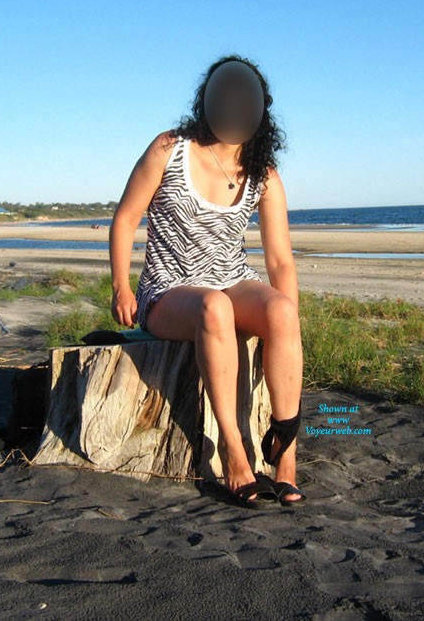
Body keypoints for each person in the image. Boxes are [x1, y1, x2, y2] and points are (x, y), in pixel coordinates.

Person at [109, 55, 305, 507]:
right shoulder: (169, 148)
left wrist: (288, 323)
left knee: (279, 309)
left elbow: (279, 259)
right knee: (214, 306)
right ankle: (234, 453)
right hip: (169, 289)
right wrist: (121, 285)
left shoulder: (264, 174)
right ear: (208, 99)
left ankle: (286, 460)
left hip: (231, 279)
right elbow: (125, 218)